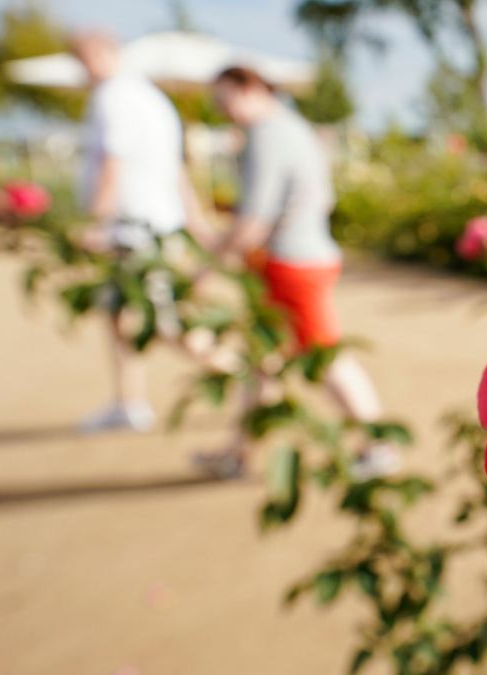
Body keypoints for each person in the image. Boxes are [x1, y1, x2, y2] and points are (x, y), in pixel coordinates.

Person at [193, 65, 394, 479]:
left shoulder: (268, 135)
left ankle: (378, 445)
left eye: (224, 98)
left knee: (323, 357)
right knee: (260, 360)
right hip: (299, 257)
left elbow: (256, 218)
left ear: (251, 88)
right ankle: (239, 452)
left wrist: (209, 262)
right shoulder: (290, 128)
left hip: (292, 263)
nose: (221, 109)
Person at [71, 31, 211, 433]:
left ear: (105, 52)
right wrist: (196, 219)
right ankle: (129, 402)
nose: (83, 69)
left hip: (133, 230)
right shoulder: (151, 97)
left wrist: (96, 222)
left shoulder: (113, 97)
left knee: (162, 321)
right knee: (117, 314)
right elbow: (176, 168)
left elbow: (113, 162)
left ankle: (244, 372)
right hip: (149, 226)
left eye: (85, 58)